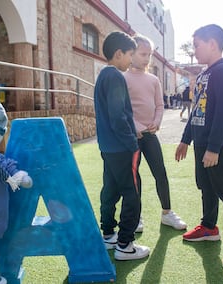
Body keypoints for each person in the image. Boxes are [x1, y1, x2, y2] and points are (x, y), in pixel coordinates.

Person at [175, 24, 223, 268]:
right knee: (206, 187)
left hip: (219, 147)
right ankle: (208, 227)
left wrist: (214, 148)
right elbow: (197, 110)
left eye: (197, 45)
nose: (194, 51)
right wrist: (186, 139)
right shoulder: (206, 73)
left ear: (212, 44)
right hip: (202, 144)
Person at [94, 31, 150, 261]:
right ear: (118, 54)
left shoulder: (103, 75)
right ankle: (125, 245)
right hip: (122, 147)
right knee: (132, 192)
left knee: (111, 189)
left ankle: (108, 233)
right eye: (130, 54)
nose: (131, 59)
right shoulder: (115, 76)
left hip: (108, 147)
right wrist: (132, 143)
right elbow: (118, 117)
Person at [124, 34, 186, 232]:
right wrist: (137, 127)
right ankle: (137, 216)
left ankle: (167, 213)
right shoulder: (122, 78)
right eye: (143, 54)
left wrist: (157, 122)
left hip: (150, 135)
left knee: (160, 172)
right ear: (131, 53)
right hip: (132, 136)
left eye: (149, 55)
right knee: (134, 177)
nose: (146, 58)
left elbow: (160, 105)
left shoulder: (153, 80)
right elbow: (122, 109)